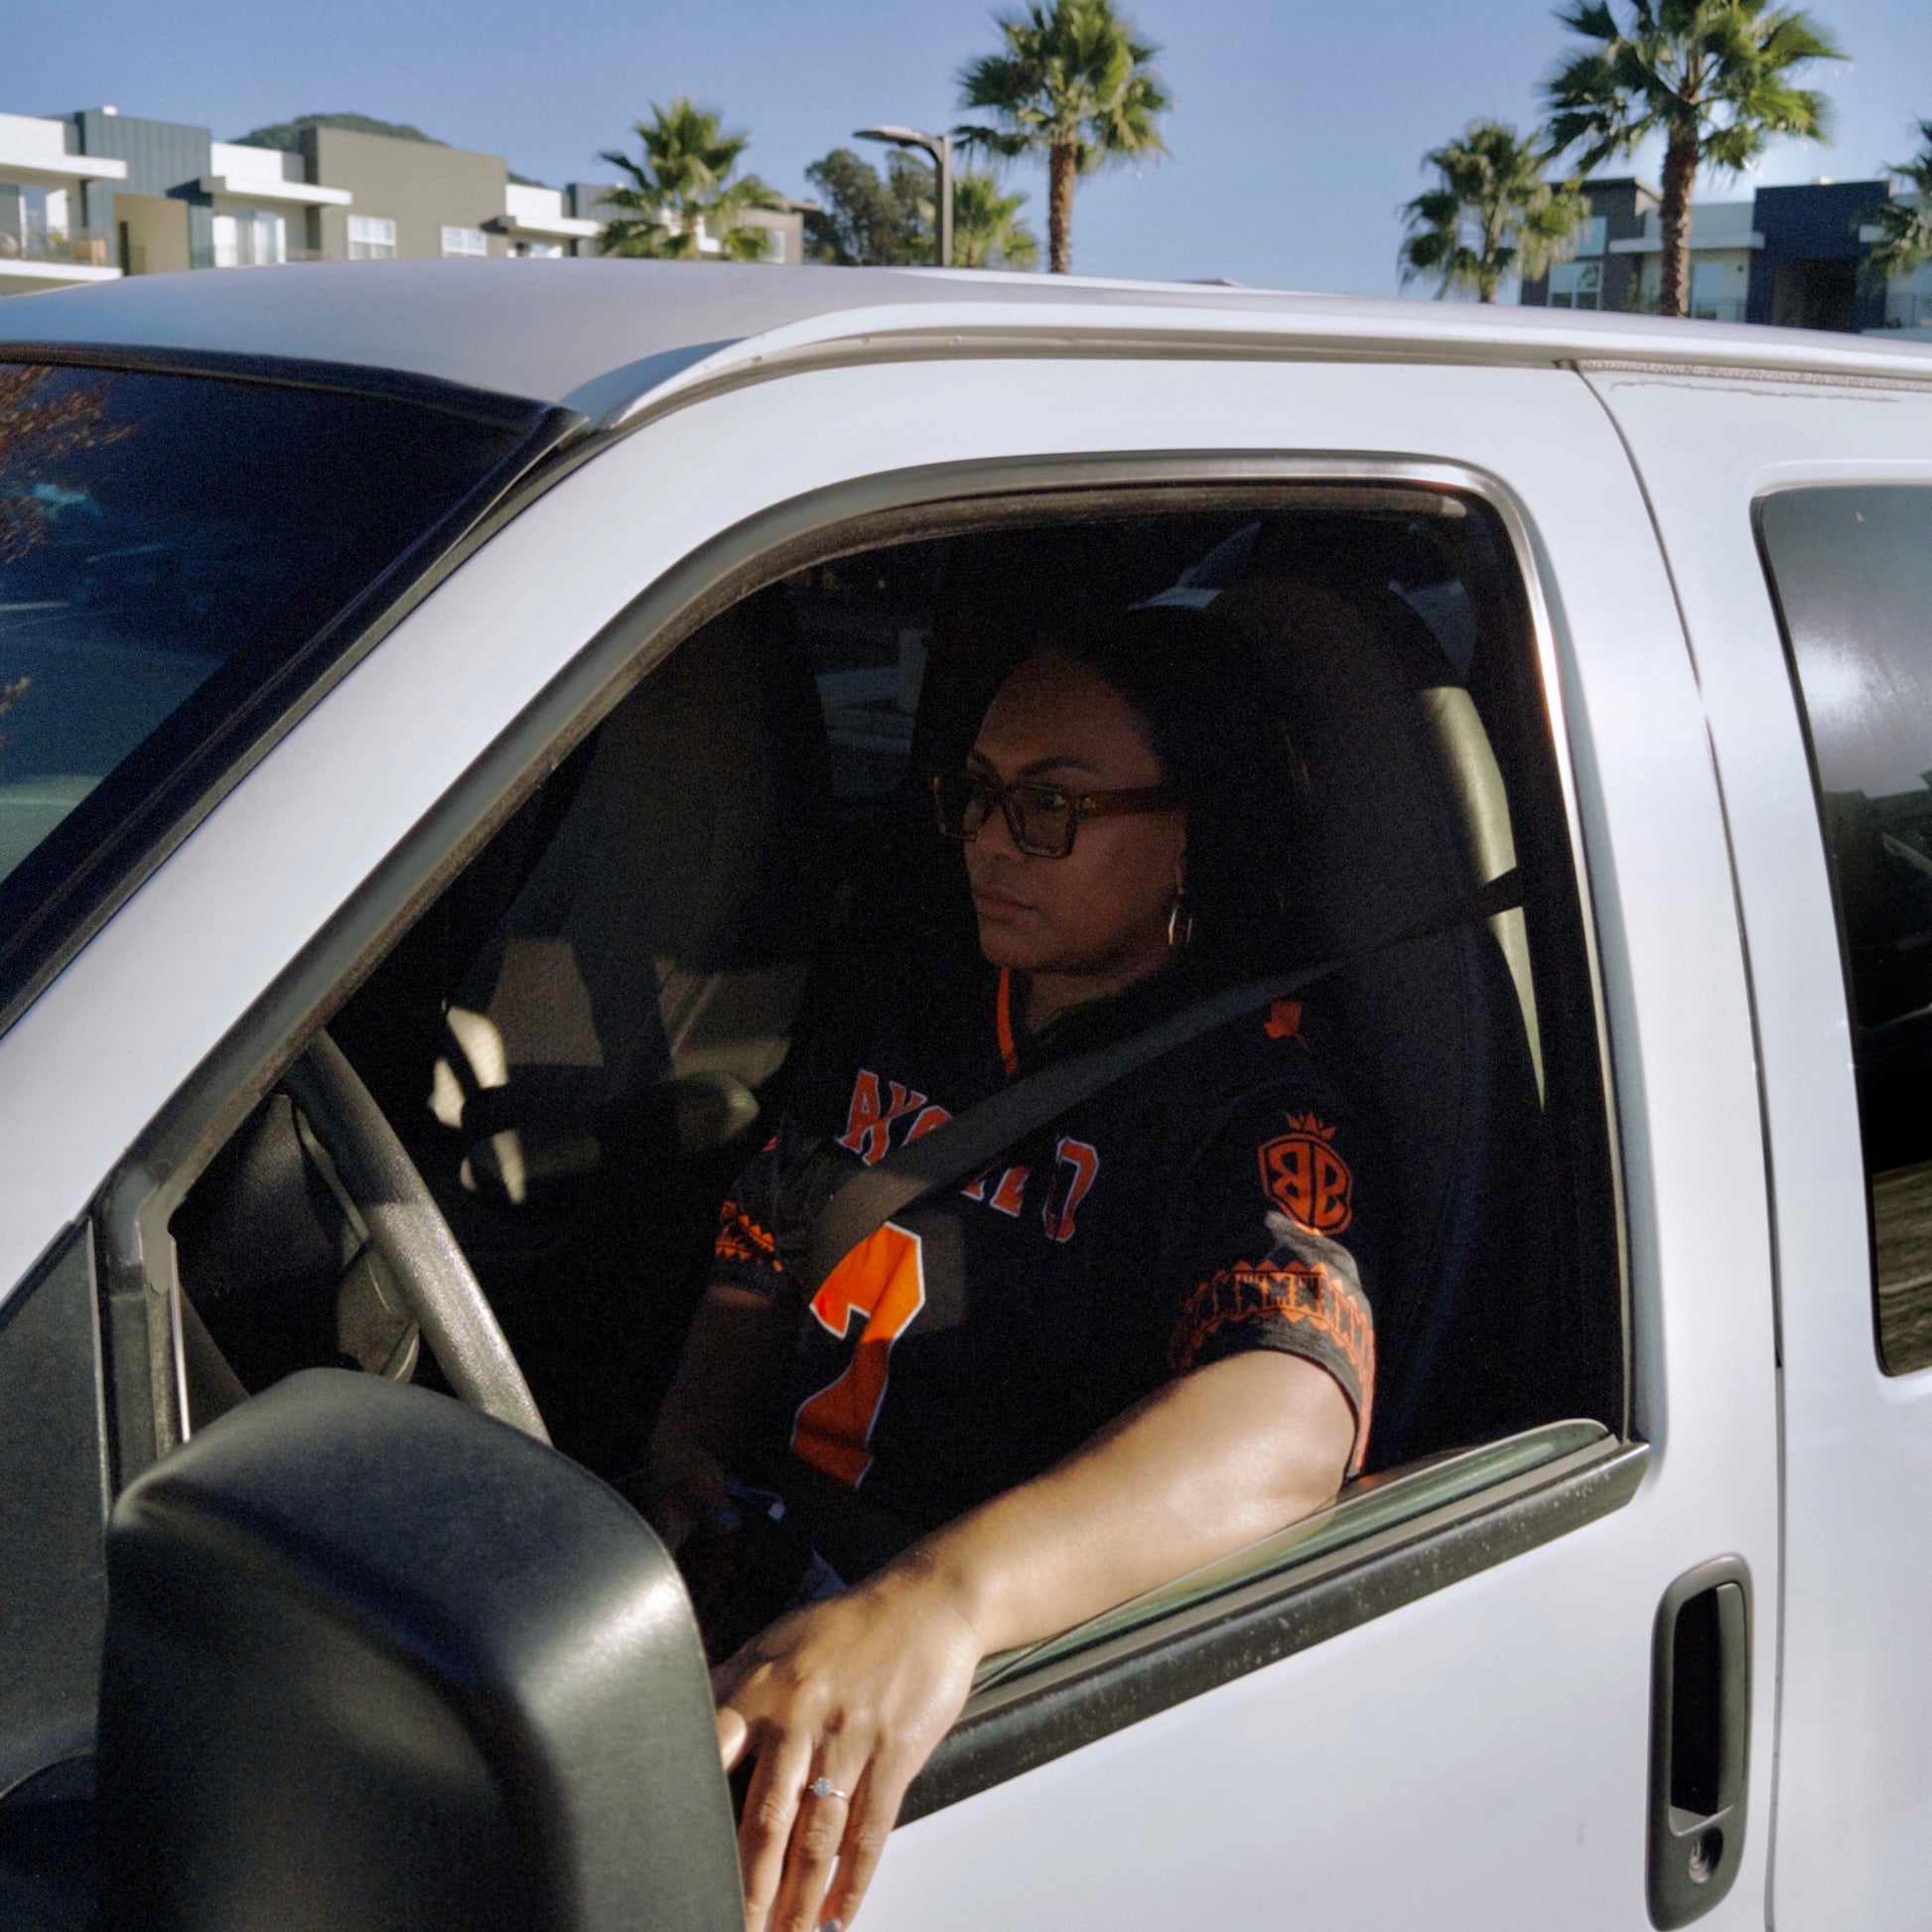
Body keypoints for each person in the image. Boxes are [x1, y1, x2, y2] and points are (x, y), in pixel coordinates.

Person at [643, 605, 1382, 1932]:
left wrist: (943, 1603)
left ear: (1193, 828)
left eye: (1049, 807)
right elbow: (766, 1223)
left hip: (973, 1668)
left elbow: (1286, 1414)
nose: (990, 839)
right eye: (977, 796)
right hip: (761, 1561)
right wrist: (687, 1444)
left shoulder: (1246, 1089)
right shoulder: (917, 982)